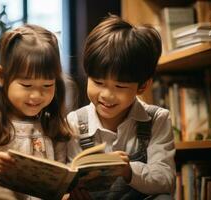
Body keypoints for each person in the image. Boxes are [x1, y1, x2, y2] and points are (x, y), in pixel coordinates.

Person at [66, 15, 176, 199]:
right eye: (98, 82)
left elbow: (166, 179)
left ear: (142, 86)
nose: (107, 95)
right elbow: (68, 175)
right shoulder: (75, 121)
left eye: (120, 87)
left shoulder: (158, 119)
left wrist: (128, 171)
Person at [0, 24, 72, 199]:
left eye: (47, 85)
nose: (36, 95)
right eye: (27, 85)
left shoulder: (52, 122)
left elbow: (60, 181)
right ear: (1, 76)